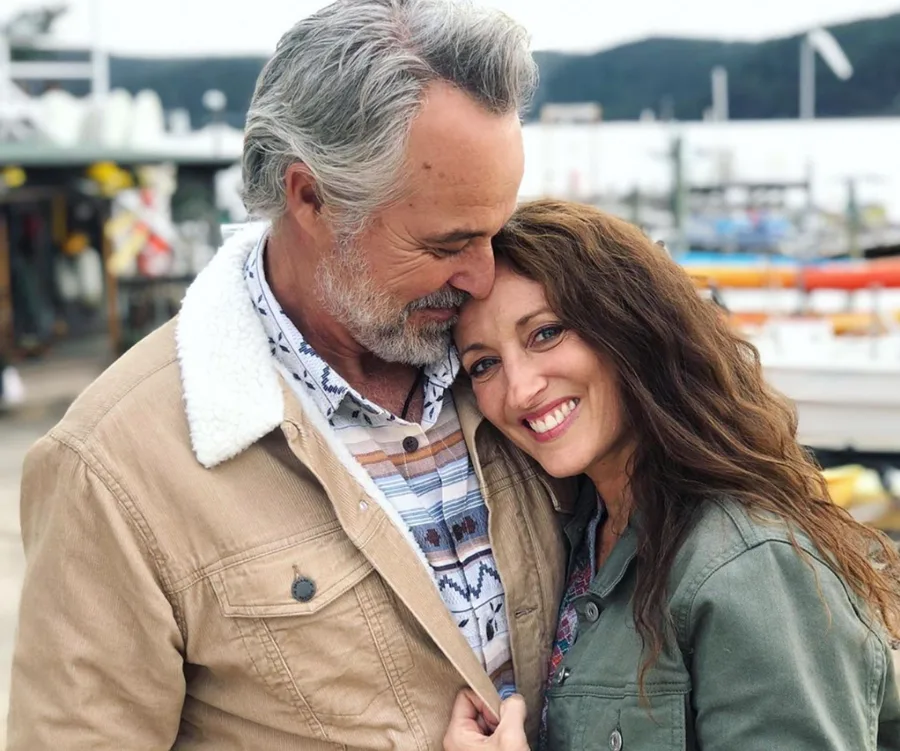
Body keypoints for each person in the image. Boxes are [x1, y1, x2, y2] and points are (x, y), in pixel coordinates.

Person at [7, 4, 576, 748]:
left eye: (497, 232)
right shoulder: (110, 470)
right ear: (310, 198)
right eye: (448, 243)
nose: (482, 276)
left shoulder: (526, 369)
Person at [445, 199, 900, 750]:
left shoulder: (748, 564)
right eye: (484, 364)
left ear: (630, 327)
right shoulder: (584, 533)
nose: (519, 389)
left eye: (546, 334)